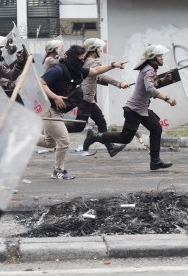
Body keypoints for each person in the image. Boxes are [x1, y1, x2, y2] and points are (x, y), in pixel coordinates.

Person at [38, 44, 127, 179]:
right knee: (64, 142)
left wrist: (113, 65)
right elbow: (41, 83)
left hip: (56, 111)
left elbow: (95, 71)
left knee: (50, 143)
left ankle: (25, 138)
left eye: (83, 58)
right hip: (49, 110)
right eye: (80, 58)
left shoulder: (76, 70)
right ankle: (58, 171)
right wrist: (55, 97)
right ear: (72, 58)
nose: (82, 61)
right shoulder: (57, 70)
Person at [83, 44, 177, 171]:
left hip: (142, 109)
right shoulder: (149, 70)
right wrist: (167, 99)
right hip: (135, 110)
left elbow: (150, 85)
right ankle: (96, 136)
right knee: (125, 137)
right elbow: (150, 88)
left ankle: (155, 161)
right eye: (160, 56)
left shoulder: (150, 69)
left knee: (156, 128)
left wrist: (163, 80)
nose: (162, 59)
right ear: (153, 57)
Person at [65, 38, 129, 157]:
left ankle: (110, 148)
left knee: (101, 122)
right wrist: (119, 83)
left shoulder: (87, 61)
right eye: (99, 48)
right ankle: (54, 130)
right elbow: (102, 75)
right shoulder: (92, 62)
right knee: (78, 126)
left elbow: (97, 77)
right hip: (85, 99)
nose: (100, 50)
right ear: (94, 49)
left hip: (88, 99)